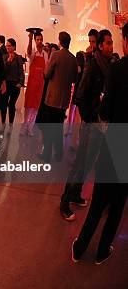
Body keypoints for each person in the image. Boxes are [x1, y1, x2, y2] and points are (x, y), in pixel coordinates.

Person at [72, 24, 128, 264]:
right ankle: (103, 249)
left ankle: (80, 247)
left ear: (125, 41)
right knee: (118, 205)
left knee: (100, 200)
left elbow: (104, 111)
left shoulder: (117, 70)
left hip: (114, 138)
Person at [61, 29, 114, 220]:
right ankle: (64, 202)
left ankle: (76, 193)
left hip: (100, 125)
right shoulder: (92, 65)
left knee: (88, 162)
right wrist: (90, 118)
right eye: (107, 43)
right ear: (100, 46)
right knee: (80, 163)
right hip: (91, 123)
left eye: (112, 42)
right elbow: (80, 96)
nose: (111, 46)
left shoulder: (108, 65)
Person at [38, 31, 78, 163]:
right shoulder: (73, 58)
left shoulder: (55, 55)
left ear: (60, 41)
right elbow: (74, 79)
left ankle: (47, 154)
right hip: (64, 99)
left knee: (50, 127)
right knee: (59, 126)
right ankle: (59, 153)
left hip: (52, 98)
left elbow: (47, 74)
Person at [23, 31, 48, 136]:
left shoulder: (45, 54)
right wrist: (29, 39)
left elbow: (46, 68)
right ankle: (24, 127)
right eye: (37, 39)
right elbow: (29, 52)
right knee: (28, 106)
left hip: (40, 83)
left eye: (41, 39)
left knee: (36, 107)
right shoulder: (33, 51)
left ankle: (30, 127)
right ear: (34, 41)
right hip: (32, 83)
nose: (39, 41)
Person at [0, 38, 24, 127]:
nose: (7, 47)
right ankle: (2, 122)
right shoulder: (4, 57)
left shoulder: (18, 58)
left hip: (15, 84)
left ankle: (10, 123)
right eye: (6, 45)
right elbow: (2, 71)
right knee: (3, 103)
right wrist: (8, 62)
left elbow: (21, 71)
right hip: (6, 84)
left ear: (14, 47)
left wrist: (20, 83)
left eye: (9, 46)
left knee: (12, 104)